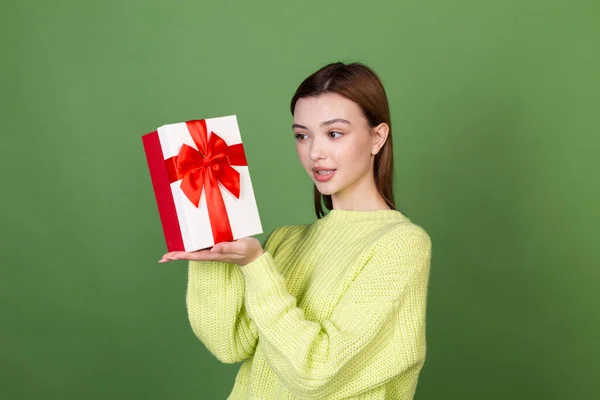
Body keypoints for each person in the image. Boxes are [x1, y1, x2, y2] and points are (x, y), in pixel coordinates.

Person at [159, 62, 432, 399]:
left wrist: (255, 265)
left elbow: (314, 375)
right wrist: (211, 251)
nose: (315, 153)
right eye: (302, 135)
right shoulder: (286, 240)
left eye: (334, 133)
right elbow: (228, 344)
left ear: (377, 137)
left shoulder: (401, 245)